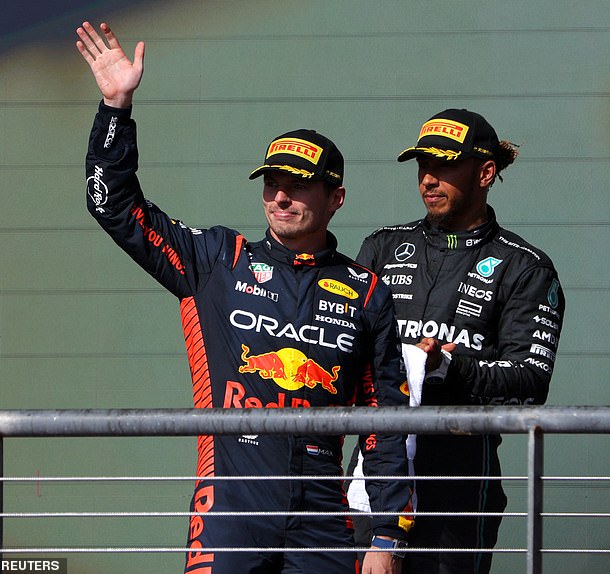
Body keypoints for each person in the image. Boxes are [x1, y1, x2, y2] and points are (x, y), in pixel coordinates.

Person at [76, 21, 413, 574]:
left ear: (337, 198)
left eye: (299, 184)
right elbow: (113, 205)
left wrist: (387, 537)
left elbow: (388, 423)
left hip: (323, 515)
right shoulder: (217, 260)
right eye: (272, 181)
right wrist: (116, 108)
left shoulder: (367, 292)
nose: (281, 195)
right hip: (230, 506)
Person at [347, 108, 566, 573]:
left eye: (445, 165)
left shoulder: (524, 266)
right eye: (423, 166)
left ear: (485, 172)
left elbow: (531, 379)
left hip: (460, 483)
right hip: (374, 477)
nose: (428, 178)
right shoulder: (382, 247)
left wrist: (450, 367)